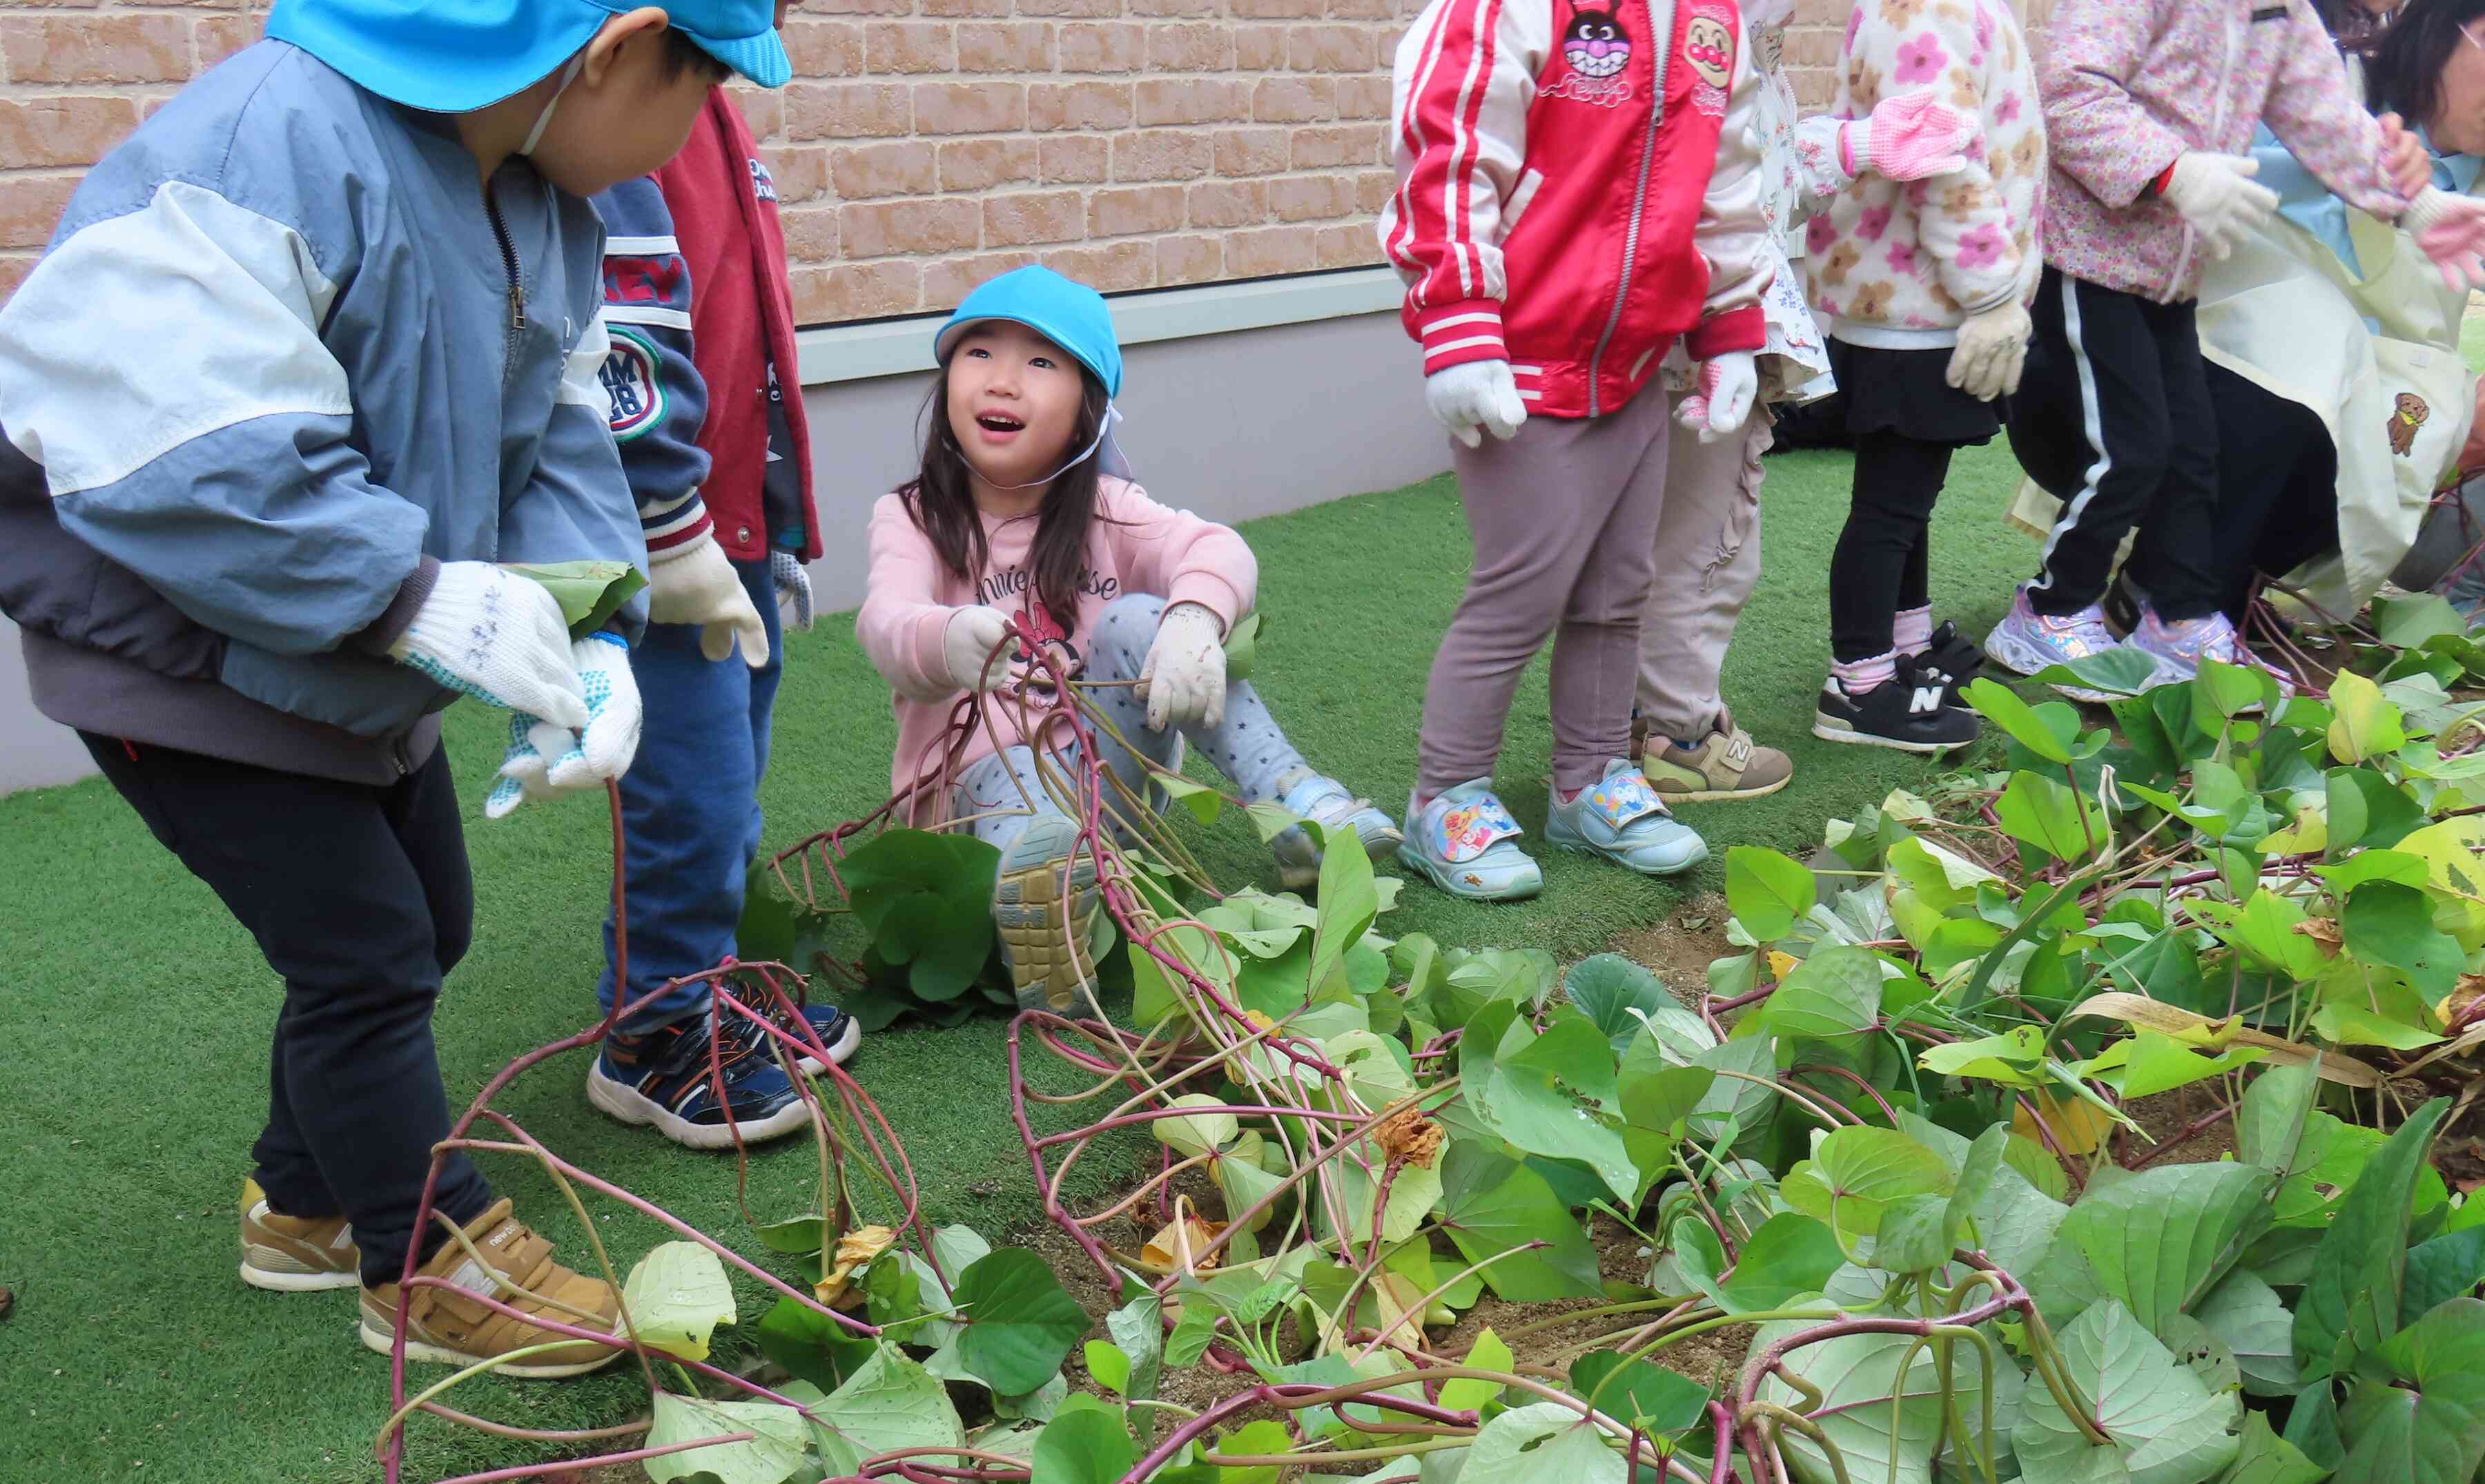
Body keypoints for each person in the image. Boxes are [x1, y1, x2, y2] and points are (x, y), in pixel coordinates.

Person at [0, 0, 790, 1376]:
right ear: (615, 49)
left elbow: (553, 421)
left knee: (428, 919)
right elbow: (186, 454)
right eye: (708, 83)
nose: (706, 125)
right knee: (363, 953)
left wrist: (592, 623)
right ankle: (427, 1255)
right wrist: (421, 595)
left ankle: (302, 1202)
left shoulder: (536, 191)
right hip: (182, 660)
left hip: (350, 648)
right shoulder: (271, 142)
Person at [855, 265, 1400, 1013]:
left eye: (1041, 363)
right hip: (979, 798)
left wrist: (1194, 621)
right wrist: (944, 640)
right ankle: (1049, 919)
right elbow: (884, 622)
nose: (1003, 382)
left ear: (1087, 412)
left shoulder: (1107, 508)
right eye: (979, 354)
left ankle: (1297, 811)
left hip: (1106, 780)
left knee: (1143, 619)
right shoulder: (912, 517)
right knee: (1021, 804)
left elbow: (1220, 549)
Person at [1383, 0, 1774, 900]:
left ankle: (1590, 778)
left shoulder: (1713, 21)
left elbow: (1727, 181)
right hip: (1519, 360)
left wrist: (1731, 333)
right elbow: (1453, 142)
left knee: (1616, 589)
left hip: (1635, 361)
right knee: (1520, 590)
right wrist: (1460, 320)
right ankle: (1443, 798)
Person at [1990, 0, 2485, 699]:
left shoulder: (2278, 18)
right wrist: (2177, 174)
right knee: (2136, 447)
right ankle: (2049, 609)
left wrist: (2418, 204)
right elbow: (2068, 92)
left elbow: (2323, 118)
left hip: (2174, 279)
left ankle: (2176, 616)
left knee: (2188, 450)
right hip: (2095, 267)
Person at [563, 85, 860, 1151]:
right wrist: (669, 529)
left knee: (732, 782)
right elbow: (621, 338)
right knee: (687, 795)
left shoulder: (709, 108)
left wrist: (772, 521)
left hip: (733, 519)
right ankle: (649, 1039)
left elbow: (747, 331)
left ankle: (704, 988)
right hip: (660, 535)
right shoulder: (622, 114)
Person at [1633, 0, 1975, 794]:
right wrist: (1723, 325)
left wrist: (1851, 144)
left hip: (1674, 312)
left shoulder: (1734, 35)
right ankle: (1680, 735)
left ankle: (1628, 726)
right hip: (1702, 320)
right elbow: (1724, 185)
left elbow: (1758, 165)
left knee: (1654, 535)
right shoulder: (1704, 33)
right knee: (1706, 536)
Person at [1801, 0, 2045, 754]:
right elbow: (1942, 164)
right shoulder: (1929, 10)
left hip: (1921, 298)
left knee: (1908, 496)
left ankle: (1903, 643)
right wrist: (1993, 292)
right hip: (1916, 302)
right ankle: (1858, 684)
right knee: (1891, 504)